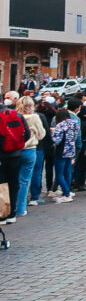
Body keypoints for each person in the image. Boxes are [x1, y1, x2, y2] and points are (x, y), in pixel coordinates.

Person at [0, 93, 31, 224]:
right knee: (14, 184)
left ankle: (2, 214)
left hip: (1, 155)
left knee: (2, 185)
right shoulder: (16, 115)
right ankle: (12, 213)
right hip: (15, 155)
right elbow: (27, 133)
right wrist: (18, 146)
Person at [50, 108, 78, 202]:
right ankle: (67, 190)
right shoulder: (74, 122)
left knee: (59, 174)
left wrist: (52, 133)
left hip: (61, 151)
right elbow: (76, 135)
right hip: (71, 149)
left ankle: (66, 193)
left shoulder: (60, 125)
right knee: (67, 171)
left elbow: (57, 140)